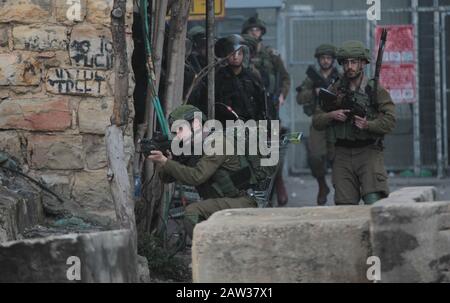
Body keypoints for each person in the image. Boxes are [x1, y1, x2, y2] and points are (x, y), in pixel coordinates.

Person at [148, 105, 258, 239]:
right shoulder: (195, 147)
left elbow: (196, 177)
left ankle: (208, 254)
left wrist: (166, 162)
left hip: (241, 201)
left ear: (196, 123)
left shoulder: (218, 143)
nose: (178, 136)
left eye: (180, 129)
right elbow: (166, 178)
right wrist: (164, 162)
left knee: (192, 212)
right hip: (222, 201)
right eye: (175, 132)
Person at [312, 40, 396, 205]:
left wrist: (368, 125)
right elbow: (316, 121)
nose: (349, 66)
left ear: (362, 63)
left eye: (354, 62)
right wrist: (331, 115)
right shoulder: (334, 89)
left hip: (369, 152)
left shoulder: (374, 90)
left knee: (374, 203)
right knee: (345, 206)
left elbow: (390, 121)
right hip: (341, 154)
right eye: (346, 63)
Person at [241, 16, 291, 206]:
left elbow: (285, 78)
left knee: (273, 149)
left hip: (270, 107)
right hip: (248, 109)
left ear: (262, 32)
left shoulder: (271, 54)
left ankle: (277, 183)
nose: (254, 33)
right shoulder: (239, 53)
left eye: (257, 30)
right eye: (251, 29)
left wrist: (281, 96)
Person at [296, 44, 340, 205]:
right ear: (318, 60)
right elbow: (299, 98)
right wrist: (313, 92)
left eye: (328, 58)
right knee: (315, 157)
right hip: (318, 120)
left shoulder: (339, 77)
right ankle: (322, 185)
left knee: (336, 157)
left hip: (337, 121)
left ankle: (341, 191)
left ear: (333, 60)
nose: (326, 61)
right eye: (323, 58)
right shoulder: (312, 78)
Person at [214, 35, 266, 125]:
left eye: (239, 53)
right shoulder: (218, 78)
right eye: (232, 53)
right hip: (225, 128)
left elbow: (261, 103)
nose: (235, 57)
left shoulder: (252, 78)